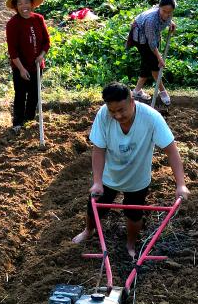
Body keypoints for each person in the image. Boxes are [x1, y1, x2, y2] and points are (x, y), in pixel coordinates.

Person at [72, 82, 190, 258]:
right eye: (113, 111)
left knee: (134, 214)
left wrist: (181, 184)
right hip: (109, 175)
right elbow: (98, 149)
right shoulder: (103, 115)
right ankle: (88, 231)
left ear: (132, 102)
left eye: (121, 110)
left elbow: (171, 150)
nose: (117, 115)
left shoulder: (151, 118)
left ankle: (130, 244)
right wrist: (97, 181)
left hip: (137, 176)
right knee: (94, 206)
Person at [5, 0, 50, 132]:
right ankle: (17, 123)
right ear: (16, 7)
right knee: (20, 95)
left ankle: (29, 120)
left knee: (34, 95)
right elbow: (13, 50)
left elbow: (46, 42)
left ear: (32, 3)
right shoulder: (12, 24)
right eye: (20, 3)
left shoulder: (38, 19)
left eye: (26, 2)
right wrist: (22, 69)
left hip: (37, 66)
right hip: (20, 67)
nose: (24, 6)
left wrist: (41, 56)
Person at [127, 0, 177, 106]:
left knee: (147, 63)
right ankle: (163, 91)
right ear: (159, 8)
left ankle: (136, 91)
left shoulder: (167, 13)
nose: (166, 15)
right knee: (155, 66)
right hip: (141, 38)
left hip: (151, 36)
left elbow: (167, 18)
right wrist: (159, 58)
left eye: (169, 12)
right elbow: (152, 43)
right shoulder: (151, 20)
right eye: (164, 11)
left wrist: (170, 22)